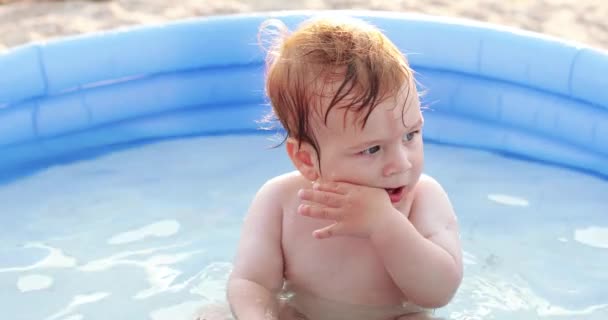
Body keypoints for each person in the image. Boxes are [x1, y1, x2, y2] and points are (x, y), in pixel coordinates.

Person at [225, 15, 463, 320]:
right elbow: (252, 281)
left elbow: (439, 292)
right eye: (372, 149)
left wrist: (386, 225)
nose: (401, 163)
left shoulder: (423, 198)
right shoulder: (280, 202)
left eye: (410, 135)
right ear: (307, 160)